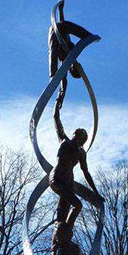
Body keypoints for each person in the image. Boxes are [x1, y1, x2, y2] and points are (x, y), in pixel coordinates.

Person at [49, 88, 103, 228]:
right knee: (77, 205)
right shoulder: (64, 141)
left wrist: (95, 192)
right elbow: (56, 118)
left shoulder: (81, 153)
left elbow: (86, 172)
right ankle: (66, 231)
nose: (75, 138)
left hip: (68, 182)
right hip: (57, 179)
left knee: (62, 215)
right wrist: (58, 100)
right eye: (75, 135)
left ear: (82, 140)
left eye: (79, 137)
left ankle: (61, 236)